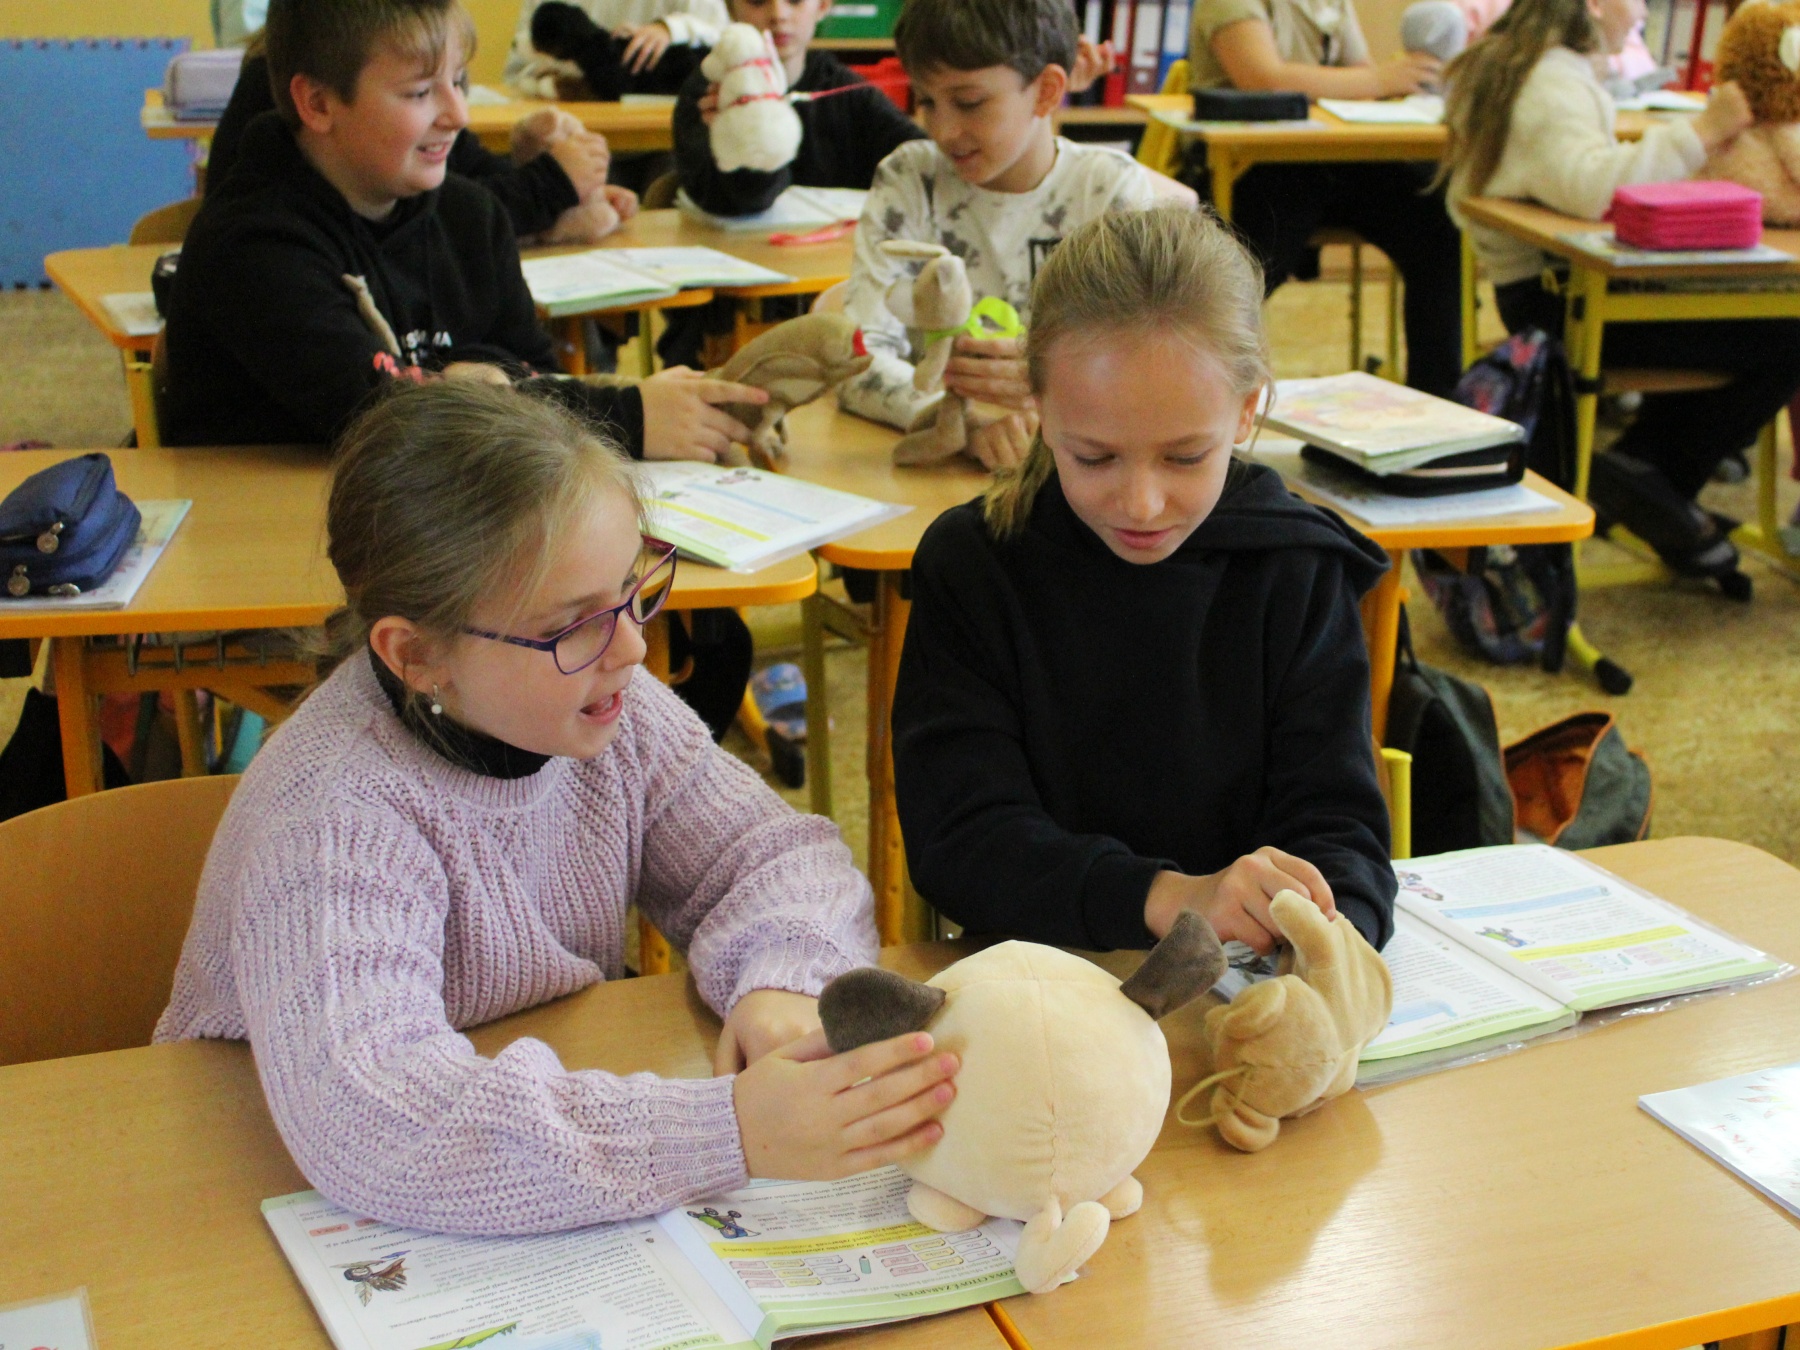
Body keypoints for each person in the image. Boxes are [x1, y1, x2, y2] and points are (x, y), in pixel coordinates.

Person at [155, 381, 960, 1234]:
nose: (633, 646)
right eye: (574, 625)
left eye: (631, 589)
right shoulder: (336, 814)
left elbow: (771, 856)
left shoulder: (609, 711)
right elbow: (379, 1119)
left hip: (513, 1140)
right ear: (416, 655)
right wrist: (726, 1131)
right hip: (237, 1180)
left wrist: (781, 986)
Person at [892, 207, 1397, 955]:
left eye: (1185, 457)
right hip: (1042, 975)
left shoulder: (1295, 567)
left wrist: (1327, 937)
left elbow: (1340, 831)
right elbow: (963, 840)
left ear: (1247, 411)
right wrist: (1172, 899)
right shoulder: (976, 566)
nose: (1141, 504)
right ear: (1038, 407)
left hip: (1248, 986)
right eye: (1094, 457)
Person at [1443, 0, 1800, 579]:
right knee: (1788, 334)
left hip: (1560, 290)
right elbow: (1594, 190)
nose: (1641, 10)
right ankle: (1652, 473)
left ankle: (1652, 483)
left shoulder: (1542, 65)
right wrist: (1704, 131)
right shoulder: (1550, 81)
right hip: (1563, 302)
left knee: (1759, 324)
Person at [837, 0, 1193, 471]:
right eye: (926, 101)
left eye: (969, 102)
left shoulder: (1107, 191)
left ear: (1046, 91)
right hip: (938, 469)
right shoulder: (910, 179)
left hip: (1079, 475)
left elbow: (1154, 366)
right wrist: (957, 423)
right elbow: (856, 359)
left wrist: (1053, 383)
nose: (943, 129)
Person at [1185, 0, 1466, 396]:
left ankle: (1440, 398)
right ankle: (1206, 390)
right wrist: (1381, 79)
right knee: (1251, 257)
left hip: (1329, 159)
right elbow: (1263, 78)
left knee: (1435, 215)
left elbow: (1360, 77)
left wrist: (1381, 82)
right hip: (1250, 166)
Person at [204, 40, 634, 244]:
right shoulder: (295, 84)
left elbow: (466, 170)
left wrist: (566, 197)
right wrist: (551, 184)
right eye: (420, 91)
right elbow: (439, 217)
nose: (458, 114)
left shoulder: (396, 61)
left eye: (457, 82)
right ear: (316, 102)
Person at [504, 0, 729, 98]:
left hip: (661, 135)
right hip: (568, 133)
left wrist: (671, 29)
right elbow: (517, 71)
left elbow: (726, 41)